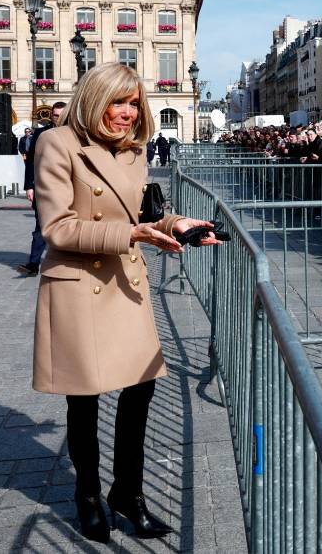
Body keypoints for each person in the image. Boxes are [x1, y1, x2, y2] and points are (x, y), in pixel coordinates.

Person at [32, 62, 219, 543]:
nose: (128, 112)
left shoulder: (133, 151)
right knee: (84, 399)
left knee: (140, 390)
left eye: (135, 103)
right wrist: (132, 235)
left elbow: (141, 212)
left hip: (124, 282)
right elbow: (57, 228)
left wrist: (176, 225)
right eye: (118, 101)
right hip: (78, 283)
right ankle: (88, 495)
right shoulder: (57, 143)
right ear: (95, 99)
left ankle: (128, 494)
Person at [18, 101, 67, 276]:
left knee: (68, 226)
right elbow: (31, 161)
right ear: (51, 115)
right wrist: (29, 186)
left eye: (62, 115)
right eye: (56, 115)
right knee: (40, 227)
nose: (58, 118)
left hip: (68, 188)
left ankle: (66, 263)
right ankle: (33, 264)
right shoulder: (40, 133)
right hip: (43, 187)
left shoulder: (75, 133)